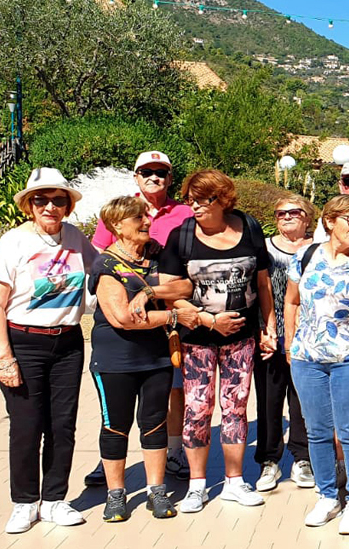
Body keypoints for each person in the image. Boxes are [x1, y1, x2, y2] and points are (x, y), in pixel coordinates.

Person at [0, 168, 97, 534]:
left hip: (67, 342)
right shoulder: (13, 242)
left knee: (62, 426)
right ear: (29, 205)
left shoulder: (76, 238)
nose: (50, 206)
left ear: (67, 205)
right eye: (41, 199)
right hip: (23, 342)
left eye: (58, 200)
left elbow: (104, 271)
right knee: (26, 426)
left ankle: (54, 500)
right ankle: (24, 502)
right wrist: (5, 359)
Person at [157, 169, 276, 513]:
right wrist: (210, 320)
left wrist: (268, 325)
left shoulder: (249, 227)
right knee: (197, 409)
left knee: (236, 408)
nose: (194, 207)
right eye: (190, 200)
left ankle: (235, 481)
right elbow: (170, 293)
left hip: (241, 338)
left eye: (203, 200)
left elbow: (263, 284)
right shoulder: (182, 237)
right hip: (197, 339)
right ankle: (196, 485)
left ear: (222, 199)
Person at [87, 150, 195, 486]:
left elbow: (186, 274)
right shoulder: (122, 210)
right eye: (146, 172)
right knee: (116, 415)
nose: (154, 177)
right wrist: (172, 315)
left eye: (161, 172)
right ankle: (112, 470)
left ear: (170, 177)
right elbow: (102, 259)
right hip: (129, 339)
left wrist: (152, 295)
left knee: (168, 398)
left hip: (163, 329)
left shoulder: (183, 213)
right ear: (136, 177)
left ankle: (173, 454)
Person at [286, 195, 349, 535]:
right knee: (316, 431)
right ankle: (328, 496)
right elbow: (291, 301)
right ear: (330, 222)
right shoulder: (305, 257)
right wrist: (290, 345)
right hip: (308, 359)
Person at [253, 195, 316, 492]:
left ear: (307, 217)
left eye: (294, 212)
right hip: (270, 335)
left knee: (303, 400)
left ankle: (302, 458)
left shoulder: (318, 249)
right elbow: (256, 291)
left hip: (308, 338)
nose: (287, 217)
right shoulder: (263, 248)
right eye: (281, 213)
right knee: (269, 400)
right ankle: (268, 461)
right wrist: (264, 330)